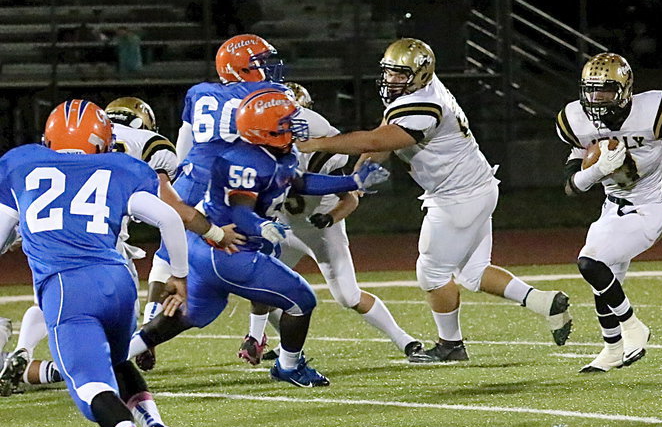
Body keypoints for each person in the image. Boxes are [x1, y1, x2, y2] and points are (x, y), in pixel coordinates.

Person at [299, 38, 573, 363]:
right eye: (389, 73)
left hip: (456, 197)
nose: (391, 80)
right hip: (476, 187)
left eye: (400, 75)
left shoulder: (422, 105)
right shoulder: (420, 94)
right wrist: (360, 176)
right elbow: (384, 138)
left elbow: (375, 139)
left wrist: (316, 143)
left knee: (431, 274)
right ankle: (546, 303)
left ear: (420, 75)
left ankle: (450, 346)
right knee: (473, 273)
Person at [127, 89, 391, 386]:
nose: (294, 126)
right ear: (264, 130)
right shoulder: (244, 159)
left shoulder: (275, 152)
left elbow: (299, 182)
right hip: (228, 250)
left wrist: (352, 181)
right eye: (286, 122)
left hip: (208, 251)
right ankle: (289, 366)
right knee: (301, 299)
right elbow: (240, 207)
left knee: (183, 317)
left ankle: (117, 356)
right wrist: (259, 226)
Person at [0, 99, 191, 427]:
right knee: (118, 362)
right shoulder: (120, 168)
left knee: (89, 386)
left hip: (67, 288)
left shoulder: (21, 164)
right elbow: (170, 219)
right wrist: (178, 276)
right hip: (119, 280)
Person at [0, 97, 243, 396]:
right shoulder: (143, 145)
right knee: (112, 340)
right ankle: (58, 375)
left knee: (58, 301)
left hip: (48, 231)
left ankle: (23, 351)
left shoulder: (40, 154)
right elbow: (172, 210)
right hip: (102, 243)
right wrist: (215, 234)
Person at [555, 52, 662, 372]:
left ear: (624, 89)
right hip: (611, 210)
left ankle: (634, 328)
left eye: (605, 90)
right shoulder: (577, 121)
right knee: (602, 281)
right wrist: (597, 170)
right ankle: (612, 349)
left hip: (648, 210)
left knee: (590, 262)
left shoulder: (653, 111)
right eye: (590, 90)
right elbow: (571, 188)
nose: (595, 98)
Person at [238, 81, 423, 364]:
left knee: (348, 297)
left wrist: (330, 217)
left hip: (319, 231)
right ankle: (273, 342)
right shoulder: (264, 149)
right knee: (261, 284)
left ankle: (404, 339)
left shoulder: (326, 150)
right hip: (284, 226)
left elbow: (348, 199)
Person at [143, 34, 287, 328]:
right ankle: (262, 336)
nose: (267, 67)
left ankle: (147, 323)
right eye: (260, 61)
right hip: (231, 181)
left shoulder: (199, 92)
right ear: (240, 67)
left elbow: (185, 140)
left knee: (165, 253)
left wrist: (177, 179)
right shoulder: (270, 93)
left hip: (192, 174)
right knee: (255, 255)